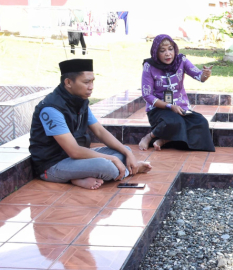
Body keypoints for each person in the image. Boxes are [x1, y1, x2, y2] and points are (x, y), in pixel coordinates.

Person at [29, 59, 152, 190]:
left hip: (76, 159)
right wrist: (113, 159)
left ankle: (77, 177)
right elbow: (74, 151)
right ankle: (132, 169)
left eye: (92, 81)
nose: (91, 86)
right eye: (86, 82)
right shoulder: (52, 108)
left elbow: (100, 131)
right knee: (106, 166)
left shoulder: (79, 101)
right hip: (52, 165)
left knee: (124, 150)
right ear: (68, 82)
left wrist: (129, 155)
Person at [138, 34, 215, 152]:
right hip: (158, 110)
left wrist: (205, 75)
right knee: (175, 121)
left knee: (201, 122)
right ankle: (149, 137)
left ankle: (164, 140)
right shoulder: (149, 66)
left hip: (181, 108)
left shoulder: (181, 60)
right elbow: (147, 95)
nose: (168, 53)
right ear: (155, 52)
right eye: (162, 51)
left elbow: (199, 76)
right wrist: (169, 106)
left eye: (170, 49)